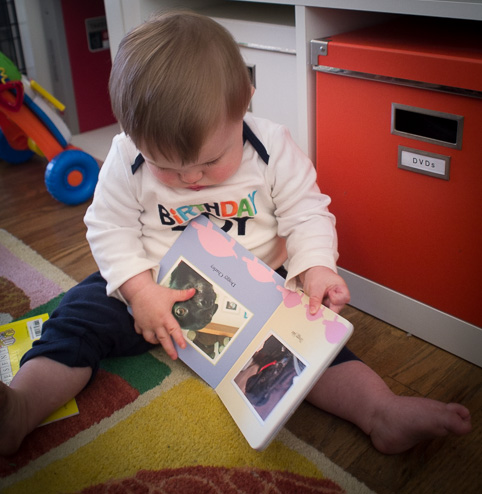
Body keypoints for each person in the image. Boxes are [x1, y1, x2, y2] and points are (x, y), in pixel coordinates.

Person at [0, 11, 471, 457]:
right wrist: (139, 291)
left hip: (254, 295)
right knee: (76, 316)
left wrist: (315, 268)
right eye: (167, 167)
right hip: (155, 290)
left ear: (244, 101)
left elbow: (307, 213)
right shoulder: (126, 156)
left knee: (311, 347)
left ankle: (379, 411)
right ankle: (21, 407)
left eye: (208, 163)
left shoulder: (272, 147)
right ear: (131, 132)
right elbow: (107, 227)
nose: (191, 180)